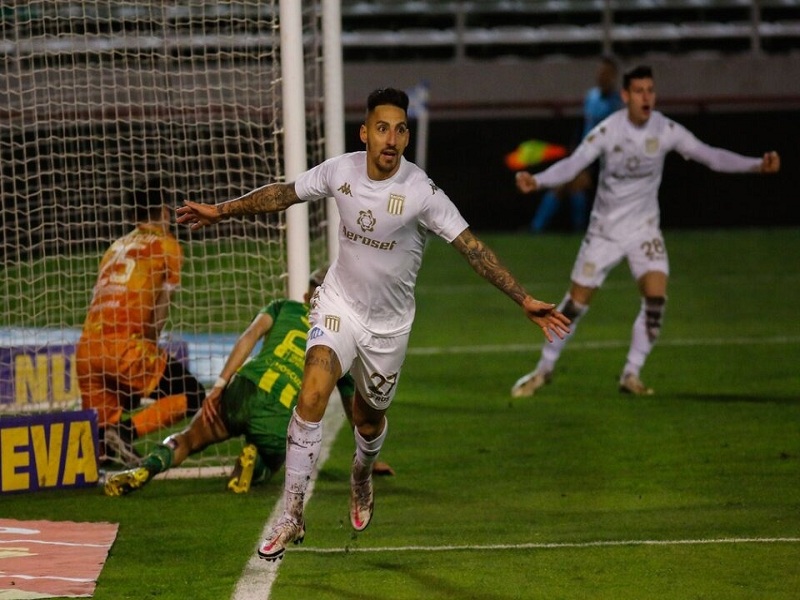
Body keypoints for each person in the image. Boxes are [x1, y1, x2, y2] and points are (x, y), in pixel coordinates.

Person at [176, 87, 571, 561]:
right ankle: (292, 514)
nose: (391, 138)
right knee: (312, 393)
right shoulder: (340, 171)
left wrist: (522, 297)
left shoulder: (421, 191)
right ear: (365, 133)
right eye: (382, 128)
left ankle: (361, 474)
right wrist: (221, 211)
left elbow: (472, 248)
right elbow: (285, 193)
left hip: (388, 328)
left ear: (406, 137)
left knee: (368, 420)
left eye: (400, 129)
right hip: (338, 305)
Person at [511, 65, 781, 398]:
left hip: (644, 230)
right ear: (625, 96)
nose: (646, 97)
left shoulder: (665, 129)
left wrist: (756, 164)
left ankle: (631, 374)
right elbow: (574, 164)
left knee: (655, 300)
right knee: (575, 305)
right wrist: (538, 181)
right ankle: (543, 370)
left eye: (650, 90)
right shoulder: (609, 130)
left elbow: (710, 156)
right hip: (605, 232)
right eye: (639, 91)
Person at [103, 266, 394, 497]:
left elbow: (248, 338)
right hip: (280, 414)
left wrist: (219, 386)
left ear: (307, 296)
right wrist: (368, 460)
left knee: (190, 439)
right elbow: (354, 411)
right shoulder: (341, 343)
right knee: (276, 461)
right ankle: (255, 465)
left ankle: (148, 467)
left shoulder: (283, 307)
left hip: (245, 388)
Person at [76, 179, 206, 466]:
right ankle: (125, 431)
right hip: (125, 349)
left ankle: (107, 442)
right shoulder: (166, 246)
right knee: (193, 394)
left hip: (87, 350)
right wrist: (149, 350)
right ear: (165, 212)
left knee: (103, 454)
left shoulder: (114, 247)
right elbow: (158, 313)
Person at [529, 56, 623, 234]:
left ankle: (542, 228)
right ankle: (542, 228)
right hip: (583, 154)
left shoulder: (616, 103)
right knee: (562, 185)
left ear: (613, 76)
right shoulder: (591, 96)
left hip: (601, 159)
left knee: (572, 185)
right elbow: (583, 125)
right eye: (600, 72)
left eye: (606, 73)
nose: (601, 76)